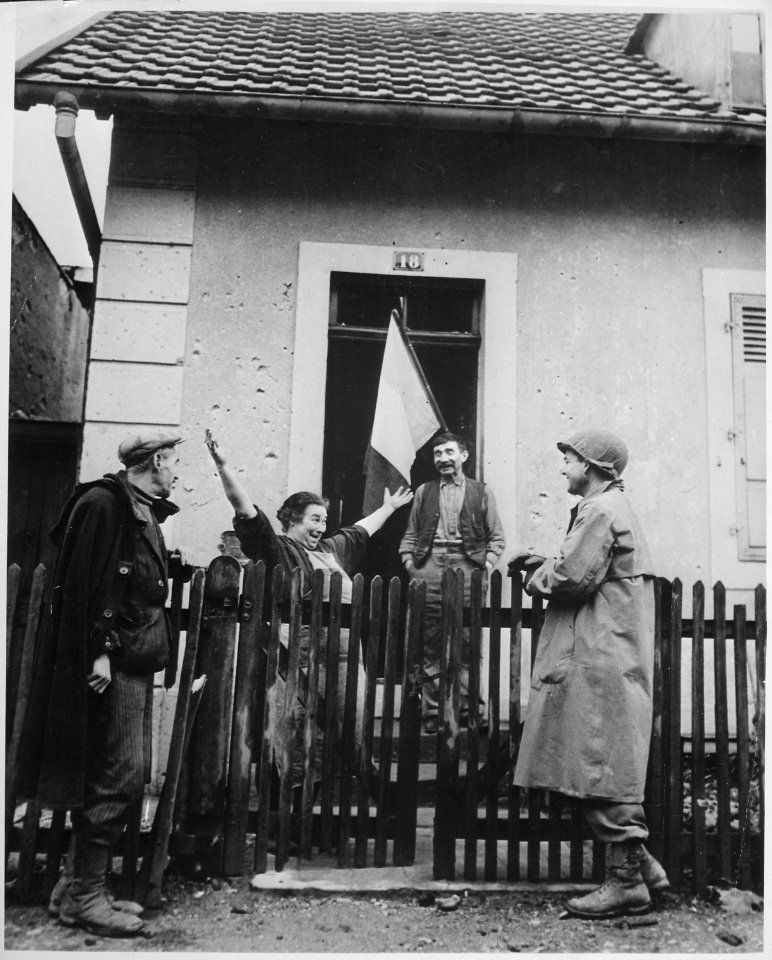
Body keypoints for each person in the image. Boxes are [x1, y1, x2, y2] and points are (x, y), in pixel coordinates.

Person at [19, 431, 183, 937]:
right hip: (112, 662)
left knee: (118, 774)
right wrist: (99, 652)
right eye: (172, 464)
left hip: (130, 658)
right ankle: (87, 894)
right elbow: (86, 585)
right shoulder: (103, 504)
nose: (176, 473)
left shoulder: (136, 507)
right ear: (155, 461)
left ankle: (72, 889)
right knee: (121, 775)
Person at [509, 428, 668, 919]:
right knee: (599, 756)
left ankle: (626, 884)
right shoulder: (610, 510)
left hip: (599, 658)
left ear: (594, 467)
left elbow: (572, 578)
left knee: (597, 761)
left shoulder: (600, 510)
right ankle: (644, 871)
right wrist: (549, 560)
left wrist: (536, 573)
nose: (563, 467)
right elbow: (589, 567)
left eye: (570, 459)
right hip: (608, 654)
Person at [204, 429, 413, 784]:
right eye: (314, 519)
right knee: (300, 729)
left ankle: (335, 801)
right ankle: (296, 806)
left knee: (351, 726)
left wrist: (388, 508)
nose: (321, 527)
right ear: (291, 519)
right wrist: (224, 466)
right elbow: (248, 513)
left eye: (324, 521)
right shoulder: (280, 549)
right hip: (303, 658)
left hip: (348, 659)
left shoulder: (330, 550)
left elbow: (360, 531)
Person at [399, 431, 506, 732]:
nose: (443, 459)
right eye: (437, 454)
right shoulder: (424, 491)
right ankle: (433, 715)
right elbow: (410, 534)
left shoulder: (482, 492)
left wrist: (483, 566)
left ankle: (470, 713)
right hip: (429, 567)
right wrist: (412, 566)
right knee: (429, 644)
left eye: (449, 452)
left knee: (468, 644)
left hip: (468, 566)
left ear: (464, 456)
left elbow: (496, 538)